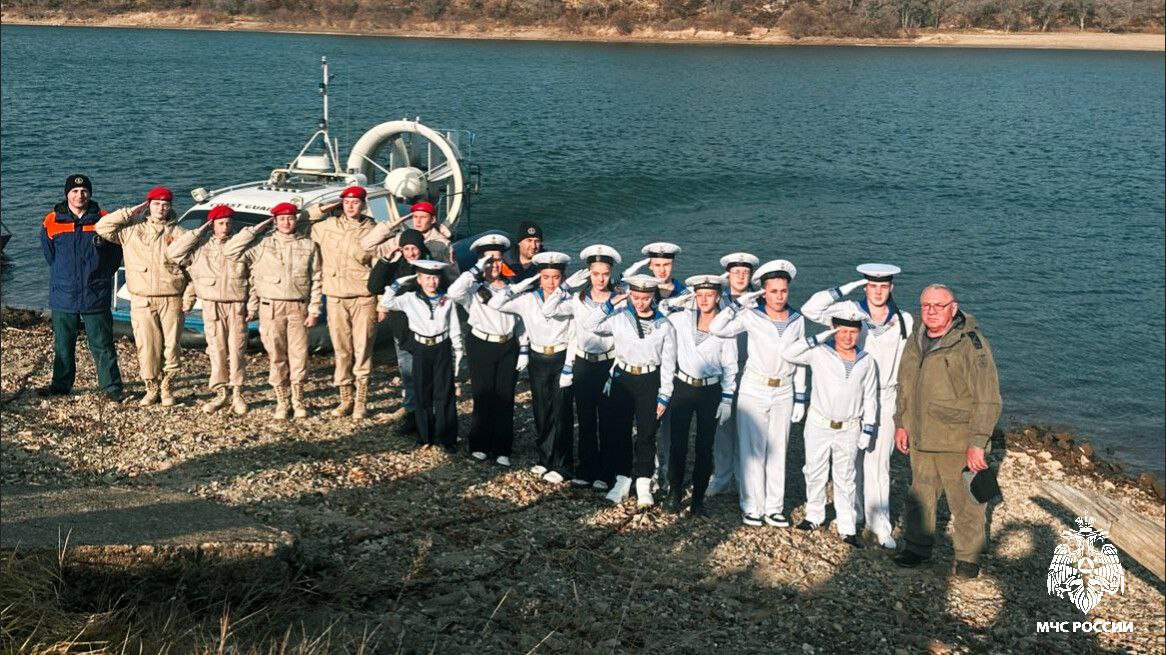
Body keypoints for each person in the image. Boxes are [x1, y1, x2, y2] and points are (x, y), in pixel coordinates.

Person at [801, 263, 914, 549]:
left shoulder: (904, 320)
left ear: (892, 288)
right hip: (851, 394)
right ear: (865, 286)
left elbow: (909, 365)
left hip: (885, 396)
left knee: (878, 463)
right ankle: (852, 515)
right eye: (872, 286)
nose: (878, 292)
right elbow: (810, 310)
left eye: (883, 286)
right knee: (849, 464)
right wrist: (843, 288)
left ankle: (880, 524)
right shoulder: (850, 310)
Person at [892, 284, 1001, 579]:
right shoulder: (915, 340)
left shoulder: (971, 344)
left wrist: (978, 442)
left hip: (958, 440)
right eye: (925, 305)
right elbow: (905, 386)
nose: (931, 311)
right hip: (922, 438)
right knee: (920, 498)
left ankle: (968, 558)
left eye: (938, 306)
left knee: (966, 503)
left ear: (953, 308)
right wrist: (901, 423)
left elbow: (988, 397)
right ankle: (916, 548)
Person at [709, 260, 807, 528]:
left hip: (784, 390)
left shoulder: (797, 319)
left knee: (778, 449)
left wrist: (801, 396)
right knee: (752, 449)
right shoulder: (752, 315)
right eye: (773, 291)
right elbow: (717, 328)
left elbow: (799, 359)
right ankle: (751, 505)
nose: (779, 296)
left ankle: (774, 507)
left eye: (783, 291)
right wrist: (740, 305)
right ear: (763, 291)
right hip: (754, 388)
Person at [782, 311, 878, 547]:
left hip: (849, 427)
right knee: (814, 471)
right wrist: (820, 336)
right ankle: (814, 515)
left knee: (846, 477)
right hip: (819, 423)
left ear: (859, 333)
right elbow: (789, 353)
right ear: (835, 331)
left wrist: (868, 428)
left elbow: (871, 397)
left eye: (853, 332)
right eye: (842, 331)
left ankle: (847, 526)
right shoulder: (820, 353)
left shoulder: (866, 360)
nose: (847, 337)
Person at [582, 274, 677, 507]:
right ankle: (622, 480)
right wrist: (611, 303)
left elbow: (668, 362)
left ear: (653, 296)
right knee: (619, 431)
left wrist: (664, 394)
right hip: (622, 379)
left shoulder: (665, 325)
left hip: (649, 379)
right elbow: (590, 325)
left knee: (646, 432)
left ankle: (643, 482)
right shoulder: (619, 318)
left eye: (645, 298)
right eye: (635, 297)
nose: (640, 302)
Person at [224, 202, 322, 419]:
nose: (287, 222)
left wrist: (314, 310)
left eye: (290, 218)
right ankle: (281, 401)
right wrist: (256, 229)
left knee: (299, 356)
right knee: (276, 355)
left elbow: (317, 279)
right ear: (275, 221)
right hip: (270, 307)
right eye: (281, 219)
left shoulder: (308, 246)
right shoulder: (261, 245)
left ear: (296, 220)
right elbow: (230, 251)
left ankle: (298, 400)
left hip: (298, 306)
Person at [95, 186, 189, 407]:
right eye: (156, 203)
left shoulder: (180, 234)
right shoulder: (132, 231)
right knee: (147, 346)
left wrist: (189, 296)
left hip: (172, 298)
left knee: (172, 346)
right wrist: (130, 212)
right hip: (142, 299)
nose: (161, 208)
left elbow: (193, 267)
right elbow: (102, 227)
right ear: (149, 206)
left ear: (170, 207)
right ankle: (151, 387)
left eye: (165, 204)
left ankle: (167, 387)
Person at [488, 251, 576, 483]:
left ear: (562, 277)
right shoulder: (528, 299)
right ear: (539, 277)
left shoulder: (569, 301)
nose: (550, 282)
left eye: (556, 277)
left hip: (560, 357)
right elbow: (496, 302)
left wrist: (569, 365)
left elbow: (576, 333)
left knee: (562, 411)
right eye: (546, 277)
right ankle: (544, 459)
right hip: (537, 358)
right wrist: (520, 285)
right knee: (541, 409)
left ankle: (563, 463)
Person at [540, 245, 621, 490]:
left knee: (607, 420)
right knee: (585, 419)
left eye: (605, 273)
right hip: (584, 364)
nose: (600, 279)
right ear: (588, 274)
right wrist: (564, 287)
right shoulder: (578, 299)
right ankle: (586, 470)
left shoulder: (619, 300)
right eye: (595, 273)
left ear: (611, 273)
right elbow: (548, 309)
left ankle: (606, 473)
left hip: (608, 363)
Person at [38, 174, 124, 401]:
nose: (79, 195)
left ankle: (111, 388)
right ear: (67, 194)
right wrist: (65, 276)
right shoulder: (51, 220)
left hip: (95, 293)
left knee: (102, 344)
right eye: (75, 191)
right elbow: (50, 255)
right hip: (63, 295)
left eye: (84, 191)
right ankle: (60, 386)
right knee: (63, 344)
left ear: (90, 193)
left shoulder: (104, 219)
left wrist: (101, 277)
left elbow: (115, 255)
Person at [165, 205, 252, 415]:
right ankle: (220, 393)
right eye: (220, 223)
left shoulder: (241, 246)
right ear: (212, 224)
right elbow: (173, 253)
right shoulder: (200, 247)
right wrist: (198, 230)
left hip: (237, 304)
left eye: (228, 223)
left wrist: (254, 304)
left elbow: (255, 275)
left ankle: (238, 393)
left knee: (237, 349)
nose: (225, 227)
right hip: (212, 305)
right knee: (216, 350)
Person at [663, 275, 738, 517]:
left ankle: (697, 501)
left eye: (710, 295)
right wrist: (683, 298)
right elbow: (662, 308)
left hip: (710, 391)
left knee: (705, 446)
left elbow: (730, 365)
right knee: (678, 443)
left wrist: (727, 398)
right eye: (700, 295)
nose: (704, 299)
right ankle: (674, 493)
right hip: (683, 387)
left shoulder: (727, 326)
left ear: (718, 297)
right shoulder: (682, 319)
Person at [448, 234, 522, 466]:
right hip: (481, 344)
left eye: (498, 259)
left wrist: (525, 349)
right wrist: (475, 270)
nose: (495, 265)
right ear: (481, 263)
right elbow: (452, 293)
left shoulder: (514, 287)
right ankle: (479, 443)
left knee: (505, 396)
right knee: (483, 395)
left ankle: (502, 448)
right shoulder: (473, 288)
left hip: (508, 345)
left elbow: (522, 321)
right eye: (489, 260)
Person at [308, 186, 378, 419]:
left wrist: (382, 304)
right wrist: (324, 207)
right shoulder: (326, 227)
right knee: (342, 349)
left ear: (363, 205)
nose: (350, 206)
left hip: (363, 298)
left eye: (355, 202)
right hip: (336, 297)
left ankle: (361, 400)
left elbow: (380, 269)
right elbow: (299, 221)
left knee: (363, 349)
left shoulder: (373, 230)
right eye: (346, 202)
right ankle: (345, 398)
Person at [377, 260, 462, 451]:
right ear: (419, 279)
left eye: (435, 277)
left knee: (444, 394)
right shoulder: (409, 298)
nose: (432, 282)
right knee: (422, 394)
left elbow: (454, 325)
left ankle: (447, 438)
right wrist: (399, 283)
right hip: (421, 349)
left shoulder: (447, 299)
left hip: (442, 347)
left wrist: (458, 350)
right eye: (427, 278)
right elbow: (386, 302)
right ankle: (425, 437)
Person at [622, 241, 686, 494]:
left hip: (676, 366)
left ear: (673, 264)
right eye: (657, 264)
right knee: (648, 426)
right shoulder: (641, 292)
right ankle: (648, 474)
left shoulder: (684, 293)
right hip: (649, 367)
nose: (661, 270)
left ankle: (669, 475)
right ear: (649, 265)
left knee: (669, 426)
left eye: (666, 264)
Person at [368, 229, 432, 436]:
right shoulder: (395, 267)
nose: (411, 253)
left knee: (427, 374)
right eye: (407, 249)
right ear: (401, 249)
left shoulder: (431, 267)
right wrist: (387, 260)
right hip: (402, 330)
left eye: (414, 248)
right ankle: (412, 413)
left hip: (427, 330)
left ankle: (428, 415)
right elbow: (374, 285)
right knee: (408, 374)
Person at [707, 252, 759, 497]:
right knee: (722, 427)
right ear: (727, 275)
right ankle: (721, 476)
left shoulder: (759, 302)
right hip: (722, 370)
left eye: (745, 272)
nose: (740, 276)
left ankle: (743, 481)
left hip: (750, 370)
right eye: (735, 272)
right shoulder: (717, 299)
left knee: (747, 428)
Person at [360, 200, 454, 266]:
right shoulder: (401, 239)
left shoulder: (443, 244)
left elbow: (450, 273)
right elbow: (367, 246)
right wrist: (392, 224)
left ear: (432, 219)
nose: (418, 221)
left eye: (423, 217)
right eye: (415, 217)